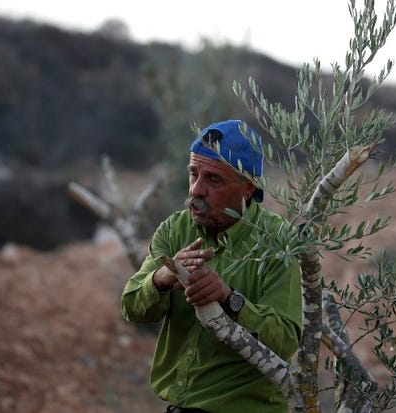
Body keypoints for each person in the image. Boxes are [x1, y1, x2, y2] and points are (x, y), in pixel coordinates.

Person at [121, 119, 302, 413]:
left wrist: (228, 299)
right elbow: (132, 307)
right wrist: (162, 278)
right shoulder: (175, 230)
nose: (196, 190)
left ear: (247, 187)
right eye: (194, 174)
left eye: (213, 180)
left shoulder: (278, 243)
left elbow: (285, 340)